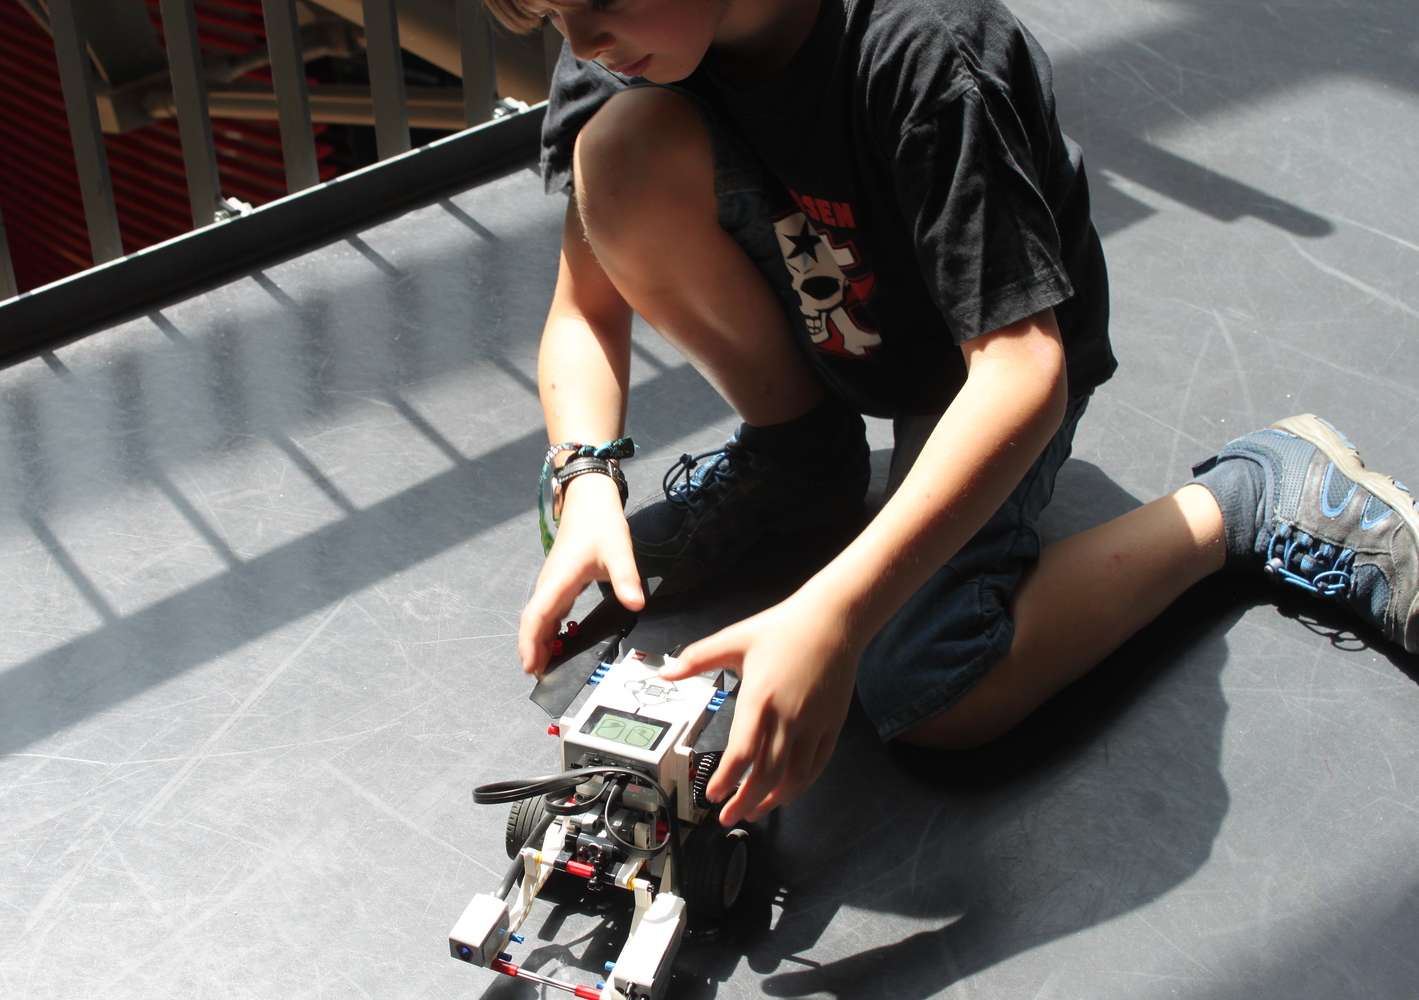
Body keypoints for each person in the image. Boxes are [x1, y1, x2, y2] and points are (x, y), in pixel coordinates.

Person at [484, 0, 1419, 832]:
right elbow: (583, 311)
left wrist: (836, 617)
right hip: (837, 330)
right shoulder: (624, 54)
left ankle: (1251, 500)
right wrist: (586, 479)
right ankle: (801, 456)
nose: (581, 41)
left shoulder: (926, 46)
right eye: (553, 17)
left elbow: (1023, 371)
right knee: (616, 148)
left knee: (935, 691)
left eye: (596, 2)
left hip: (983, 377)